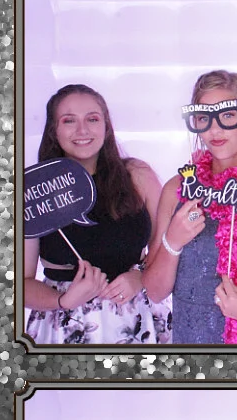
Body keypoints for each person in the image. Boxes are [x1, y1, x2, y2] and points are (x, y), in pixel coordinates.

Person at [142, 70, 237, 344]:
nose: (214, 129)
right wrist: (172, 241)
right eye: (204, 117)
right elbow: (155, 292)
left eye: (227, 115)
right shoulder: (177, 190)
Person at [25, 84, 171, 345]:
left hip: (140, 318)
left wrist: (141, 276)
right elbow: (19, 284)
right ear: (53, 130)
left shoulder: (138, 175)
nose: (82, 130)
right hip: (67, 327)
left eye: (92, 119)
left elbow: (167, 247)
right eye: (69, 120)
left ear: (106, 126)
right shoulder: (36, 191)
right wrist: (63, 300)